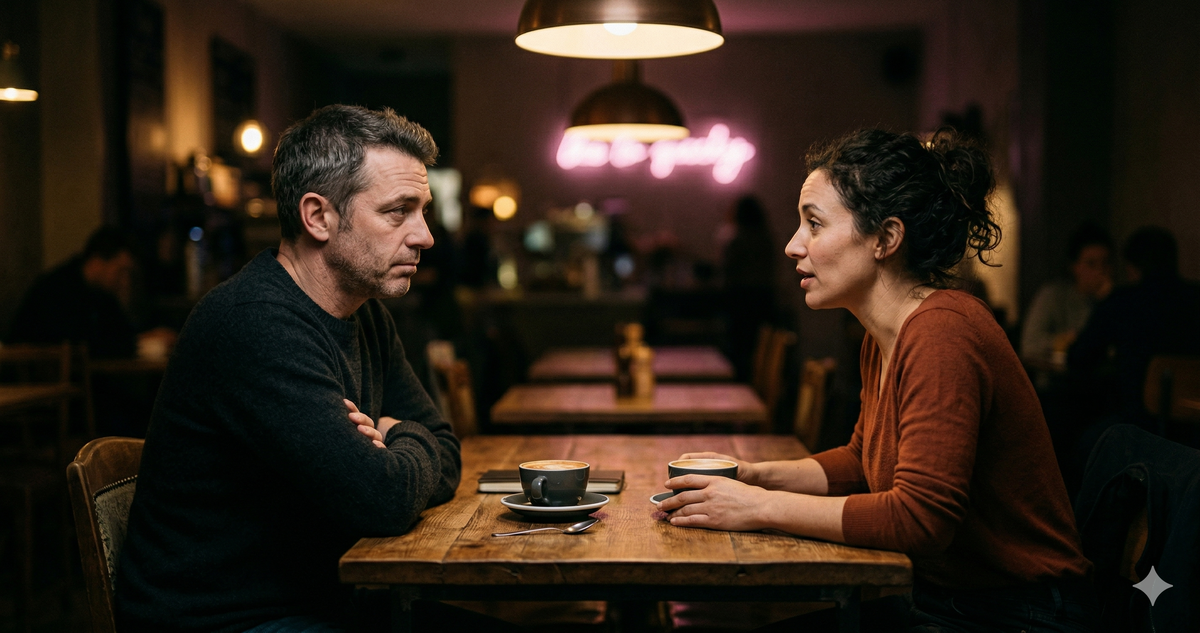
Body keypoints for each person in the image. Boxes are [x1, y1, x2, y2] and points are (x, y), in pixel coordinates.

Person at [660, 129, 1097, 632]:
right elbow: (861, 461)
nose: (791, 245)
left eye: (814, 224)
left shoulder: (943, 333)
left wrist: (760, 506)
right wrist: (754, 475)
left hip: (1020, 613)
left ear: (887, 238)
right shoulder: (884, 334)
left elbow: (920, 521)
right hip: (949, 601)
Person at [115, 105, 471, 633]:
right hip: (230, 621)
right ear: (318, 216)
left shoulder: (366, 315)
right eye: (399, 212)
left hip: (328, 600)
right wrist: (402, 444)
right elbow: (383, 499)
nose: (425, 236)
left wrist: (399, 439)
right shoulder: (254, 324)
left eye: (423, 211)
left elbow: (446, 450)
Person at [8, 225, 173, 358]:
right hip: (50, 385)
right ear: (97, 261)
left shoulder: (101, 295)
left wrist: (147, 335)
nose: (124, 280)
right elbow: (79, 344)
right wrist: (138, 342)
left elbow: (118, 332)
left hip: (83, 382)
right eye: (121, 270)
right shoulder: (58, 289)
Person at [1021, 222, 1114, 362]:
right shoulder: (1053, 295)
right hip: (1056, 380)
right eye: (1091, 264)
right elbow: (1029, 344)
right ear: (1074, 266)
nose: (1100, 271)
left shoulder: (1114, 300)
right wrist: (1062, 341)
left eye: (1105, 263)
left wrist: (1107, 303)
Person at [722, 195, 777, 381]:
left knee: (740, 347)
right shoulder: (765, 238)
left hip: (741, 297)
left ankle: (740, 384)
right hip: (763, 296)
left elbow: (727, 269)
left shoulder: (737, 239)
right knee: (757, 347)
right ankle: (755, 386)